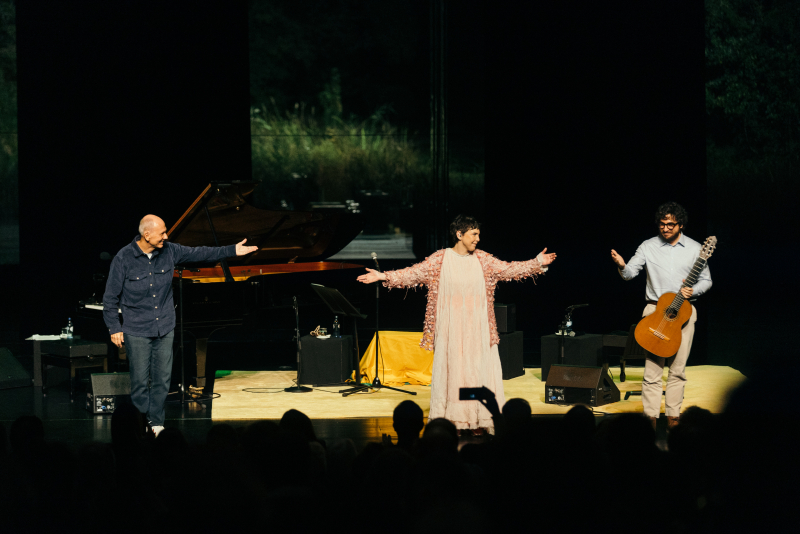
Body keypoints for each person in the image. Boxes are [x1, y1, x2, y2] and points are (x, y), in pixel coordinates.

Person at [357, 215, 556, 435]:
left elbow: (509, 270)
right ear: (459, 235)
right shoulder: (440, 260)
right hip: (451, 332)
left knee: (477, 374)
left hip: (478, 330)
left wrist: (537, 263)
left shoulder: (484, 260)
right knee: (455, 374)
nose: (478, 239)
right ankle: (455, 420)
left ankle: (478, 418)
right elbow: (413, 274)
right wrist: (382, 275)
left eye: (479, 234)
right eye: (474, 234)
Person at [103, 215, 256, 436]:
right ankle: (138, 425)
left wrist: (231, 250)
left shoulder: (170, 250)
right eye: (162, 233)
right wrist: (114, 327)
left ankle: (156, 421)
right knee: (139, 381)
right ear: (147, 235)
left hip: (164, 326)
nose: (166, 236)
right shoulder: (123, 258)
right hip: (137, 329)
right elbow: (110, 298)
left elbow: (200, 252)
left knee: (162, 380)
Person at [611, 202, 711, 430]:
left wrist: (693, 290)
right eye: (662, 224)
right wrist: (622, 266)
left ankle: (673, 416)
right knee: (652, 369)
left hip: (684, 312)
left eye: (670, 224)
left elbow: (707, 280)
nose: (665, 228)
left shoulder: (696, 248)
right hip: (654, 311)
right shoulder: (648, 246)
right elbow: (630, 274)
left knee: (678, 369)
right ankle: (650, 419)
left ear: (680, 225)